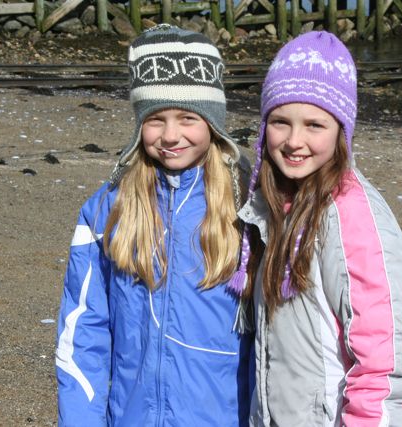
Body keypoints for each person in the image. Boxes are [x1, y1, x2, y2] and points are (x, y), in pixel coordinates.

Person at [228, 31, 402, 426]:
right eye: (280, 122)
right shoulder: (276, 206)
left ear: (342, 130)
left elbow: (383, 364)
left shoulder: (351, 217)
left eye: (314, 125)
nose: (294, 141)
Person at [55, 24, 253, 426]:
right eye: (155, 119)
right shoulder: (106, 210)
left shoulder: (248, 209)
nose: (170, 135)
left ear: (213, 122)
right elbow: (83, 333)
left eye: (188, 118)